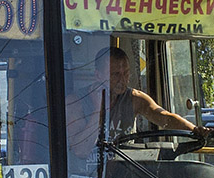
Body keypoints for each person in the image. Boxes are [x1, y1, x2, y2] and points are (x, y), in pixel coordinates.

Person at [68, 46, 202, 160]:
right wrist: (98, 112)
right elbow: (80, 150)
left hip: (126, 172)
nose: (123, 80)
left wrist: (195, 130)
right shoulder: (76, 102)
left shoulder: (134, 98)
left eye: (126, 73)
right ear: (98, 75)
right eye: (115, 74)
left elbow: (165, 118)